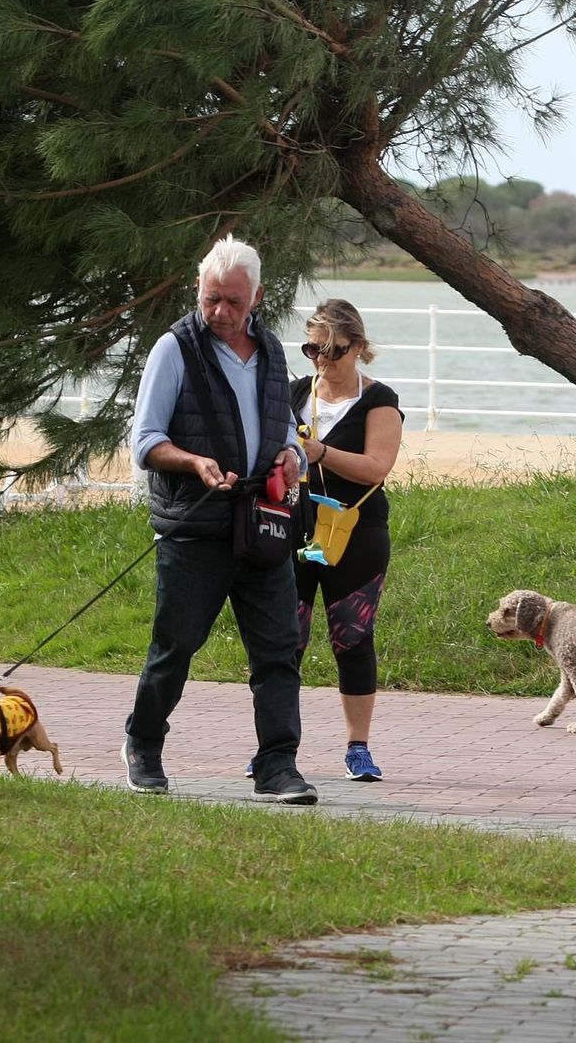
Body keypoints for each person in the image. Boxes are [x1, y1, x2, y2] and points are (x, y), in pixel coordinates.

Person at [122, 234, 318, 805]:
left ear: (257, 296)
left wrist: (293, 456)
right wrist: (195, 462)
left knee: (279, 651)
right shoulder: (173, 349)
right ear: (198, 291)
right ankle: (144, 745)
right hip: (195, 525)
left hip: (263, 522)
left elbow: (284, 431)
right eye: (211, 299)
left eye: (233, 301)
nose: (220, 312)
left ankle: (277, 765)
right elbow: (146, 440)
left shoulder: (275, 353)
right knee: (176, 644)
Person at [287, 300, 404, 780]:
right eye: (311, 347)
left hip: (356, 531)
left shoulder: (379, 400)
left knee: (351, 639)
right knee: (282, 639)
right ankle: (276, 746)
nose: (320, 359)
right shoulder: (294, 392)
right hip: (293, 528)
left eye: (331, 349)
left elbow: (378, 466)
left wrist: (320, 452)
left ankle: (358, 747)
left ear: (357, 346)